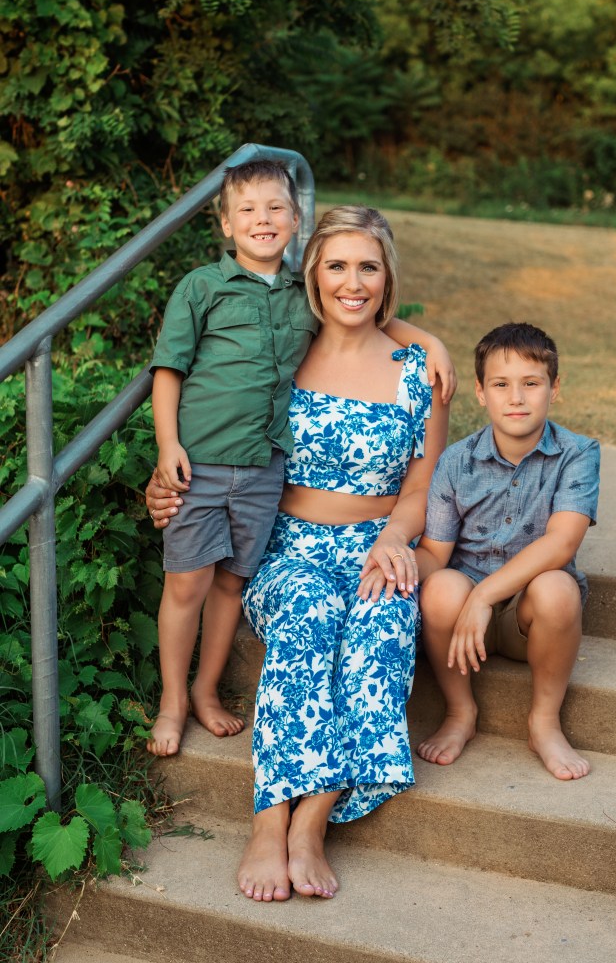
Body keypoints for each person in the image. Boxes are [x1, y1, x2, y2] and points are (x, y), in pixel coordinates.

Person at [147, 205, 449, 901]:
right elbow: (217, 420)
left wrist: (394, 539)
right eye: (336, 266)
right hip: (287, 544)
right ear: (312, 274)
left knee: (381, 624)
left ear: (388, 276)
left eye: (368, 267)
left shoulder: (417, 371)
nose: (353, 283)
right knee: (309, 612)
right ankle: (268, 818)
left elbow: (420, 485)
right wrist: (169, 483)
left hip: (378, 544)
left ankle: (311, 822)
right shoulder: (287, 347)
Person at [414, 322, 600, 781]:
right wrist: (396, 562)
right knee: (439, 587)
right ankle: (460, 712)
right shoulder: (456, 461)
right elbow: (435, 553)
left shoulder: (578, 454)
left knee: (558, 589)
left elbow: (562, 542)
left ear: (555, 388)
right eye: (501, 384)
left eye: (531, 383)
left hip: (528, 618)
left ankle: (544, 722)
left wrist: (485, 596)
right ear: (481, 393)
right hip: (462, 620)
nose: (516, 398)